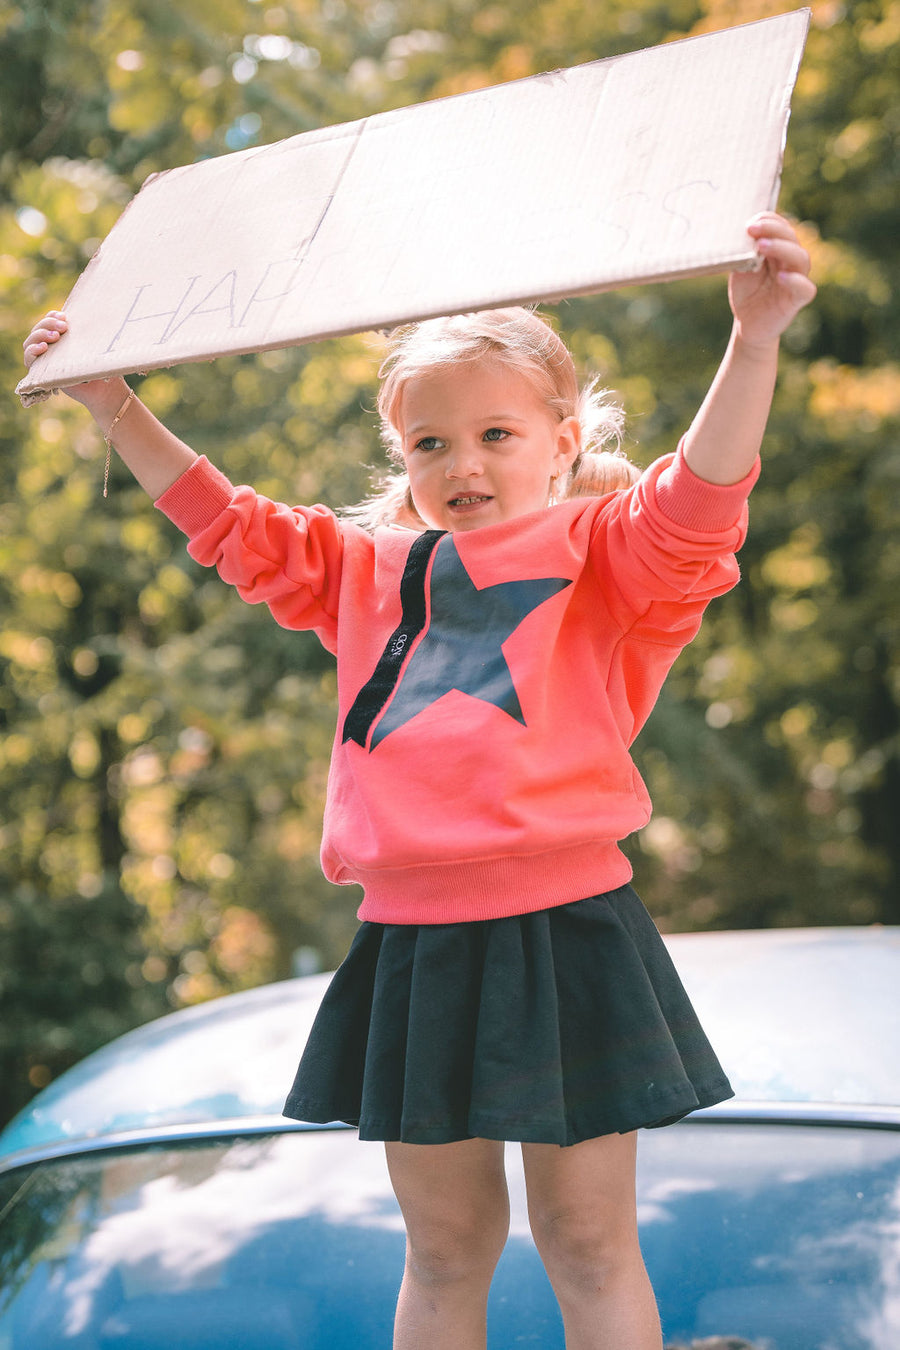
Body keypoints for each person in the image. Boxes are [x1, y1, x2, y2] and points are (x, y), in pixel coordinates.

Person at [23, 210, 815, 1350]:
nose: (464, 464)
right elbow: (229, 525)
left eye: (495, 433)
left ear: (560, 435)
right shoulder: (364, 571)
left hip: (571, 930)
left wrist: (755, 337)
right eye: (429, 444)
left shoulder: (611, 556)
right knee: (444, 1251)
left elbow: (702, 497)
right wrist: (114, 403)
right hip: (415, 942)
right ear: (401, 459)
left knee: (590, 1243)